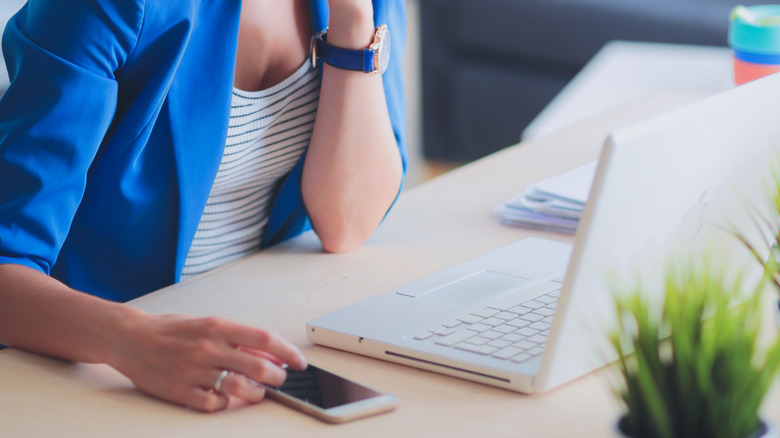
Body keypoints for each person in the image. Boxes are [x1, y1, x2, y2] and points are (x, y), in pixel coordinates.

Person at [0, 0, 407, 412]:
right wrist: (128, 339)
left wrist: (353, 19)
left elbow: (347, 222)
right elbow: (6, 262)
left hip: (257, 344)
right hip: (95, 371)